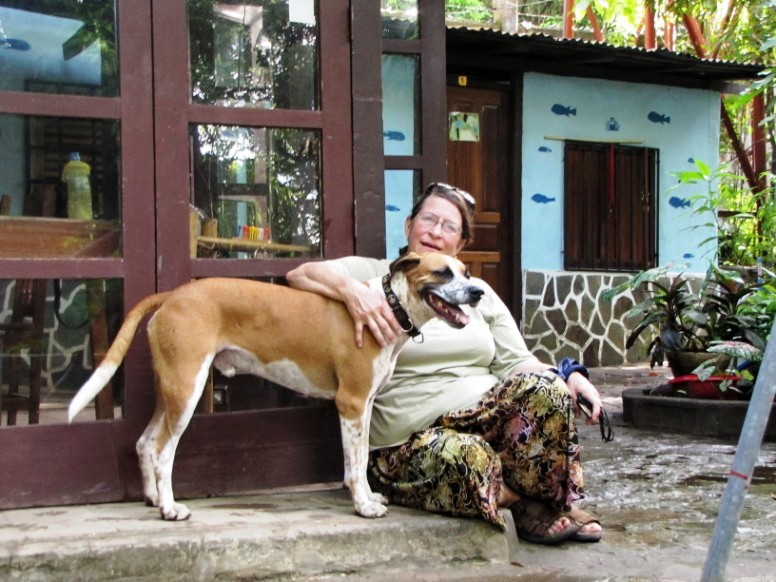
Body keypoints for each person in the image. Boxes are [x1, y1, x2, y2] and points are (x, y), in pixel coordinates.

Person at [286, 182, 605, 544]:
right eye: (428, 220)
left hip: (483, 418)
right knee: (469, 457)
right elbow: (301, 275)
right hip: (410, 442)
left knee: (549, 390)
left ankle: (544, 501)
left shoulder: (474, 292)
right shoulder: (377, 275)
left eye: (449, 226)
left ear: (461, 243)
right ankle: (525, 503)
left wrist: (570, 375)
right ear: (409, 226)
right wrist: (354, 293)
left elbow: (518, 361)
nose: (436, 232)